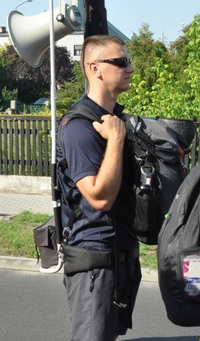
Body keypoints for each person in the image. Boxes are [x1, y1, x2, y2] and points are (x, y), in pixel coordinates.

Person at [57, 35, 141, 341]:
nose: (130, 68)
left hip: (120, 255)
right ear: (95, 68)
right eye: (121, 62)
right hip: (94, 258)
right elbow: (99, 197)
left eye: (128, 61)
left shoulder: (116, 119)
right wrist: (116, 140)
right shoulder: (80, 126)